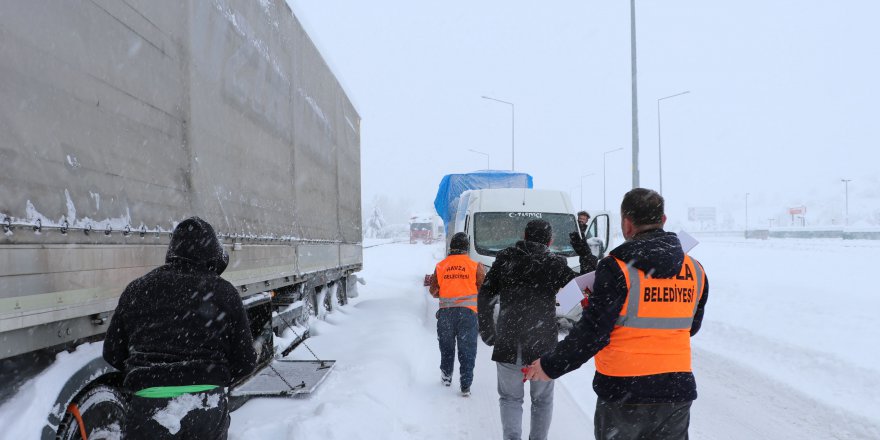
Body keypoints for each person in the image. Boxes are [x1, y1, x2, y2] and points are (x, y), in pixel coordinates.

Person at [525, 188, 709, 440]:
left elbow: (593, 332)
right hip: (676, 390)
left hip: (624, 390)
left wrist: (550, 366)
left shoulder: (617, 268)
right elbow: (691, 326)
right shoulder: (696, 270)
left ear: (626, 223)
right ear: (663, 220)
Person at [103, 217, 257, 439]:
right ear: (213, 254)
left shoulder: (137, 290)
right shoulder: (225, 293)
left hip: (148, 407)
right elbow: (245, 361)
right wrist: (210, 377)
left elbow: (112, 353)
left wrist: (151, 376)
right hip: (206, 407)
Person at [477, 219, 577, 440]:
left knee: (510, 398)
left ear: (524, 235)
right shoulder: (556, 263)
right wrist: (554, 302)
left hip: (508, 339)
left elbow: (485, 295)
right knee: (542, 400)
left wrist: (487, 330)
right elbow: (577, 293)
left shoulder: (505, 258)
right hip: (543, 343)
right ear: (550, 240)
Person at [428, 232, 486, 396]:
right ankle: (466, 385)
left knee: (446, 347)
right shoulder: (475, 266)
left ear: (451, 248)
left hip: (446, 314)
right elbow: (482, 288)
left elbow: (433, 290)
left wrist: (447, 290)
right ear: (466, 248)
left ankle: (446, 377)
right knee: (467, 349)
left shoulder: (440, 266)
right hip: (468, 314)